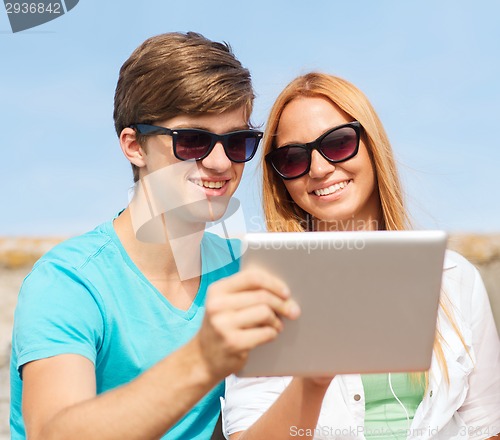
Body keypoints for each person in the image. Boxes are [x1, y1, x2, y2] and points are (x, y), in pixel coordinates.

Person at [9, 32, 300, 440]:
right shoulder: (68, 283)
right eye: (193, 141)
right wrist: (203, 360)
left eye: (237, 142)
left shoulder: (248, 269)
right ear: (134, 146)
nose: (219, 162)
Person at [222, 73, 500, 439]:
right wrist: (311, 379)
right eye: (292, 158)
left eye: (338, 143)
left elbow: (486, 430)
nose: (319, 169)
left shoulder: (455, 278)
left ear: (372, 145)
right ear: (281, 179)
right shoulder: (263, 289)